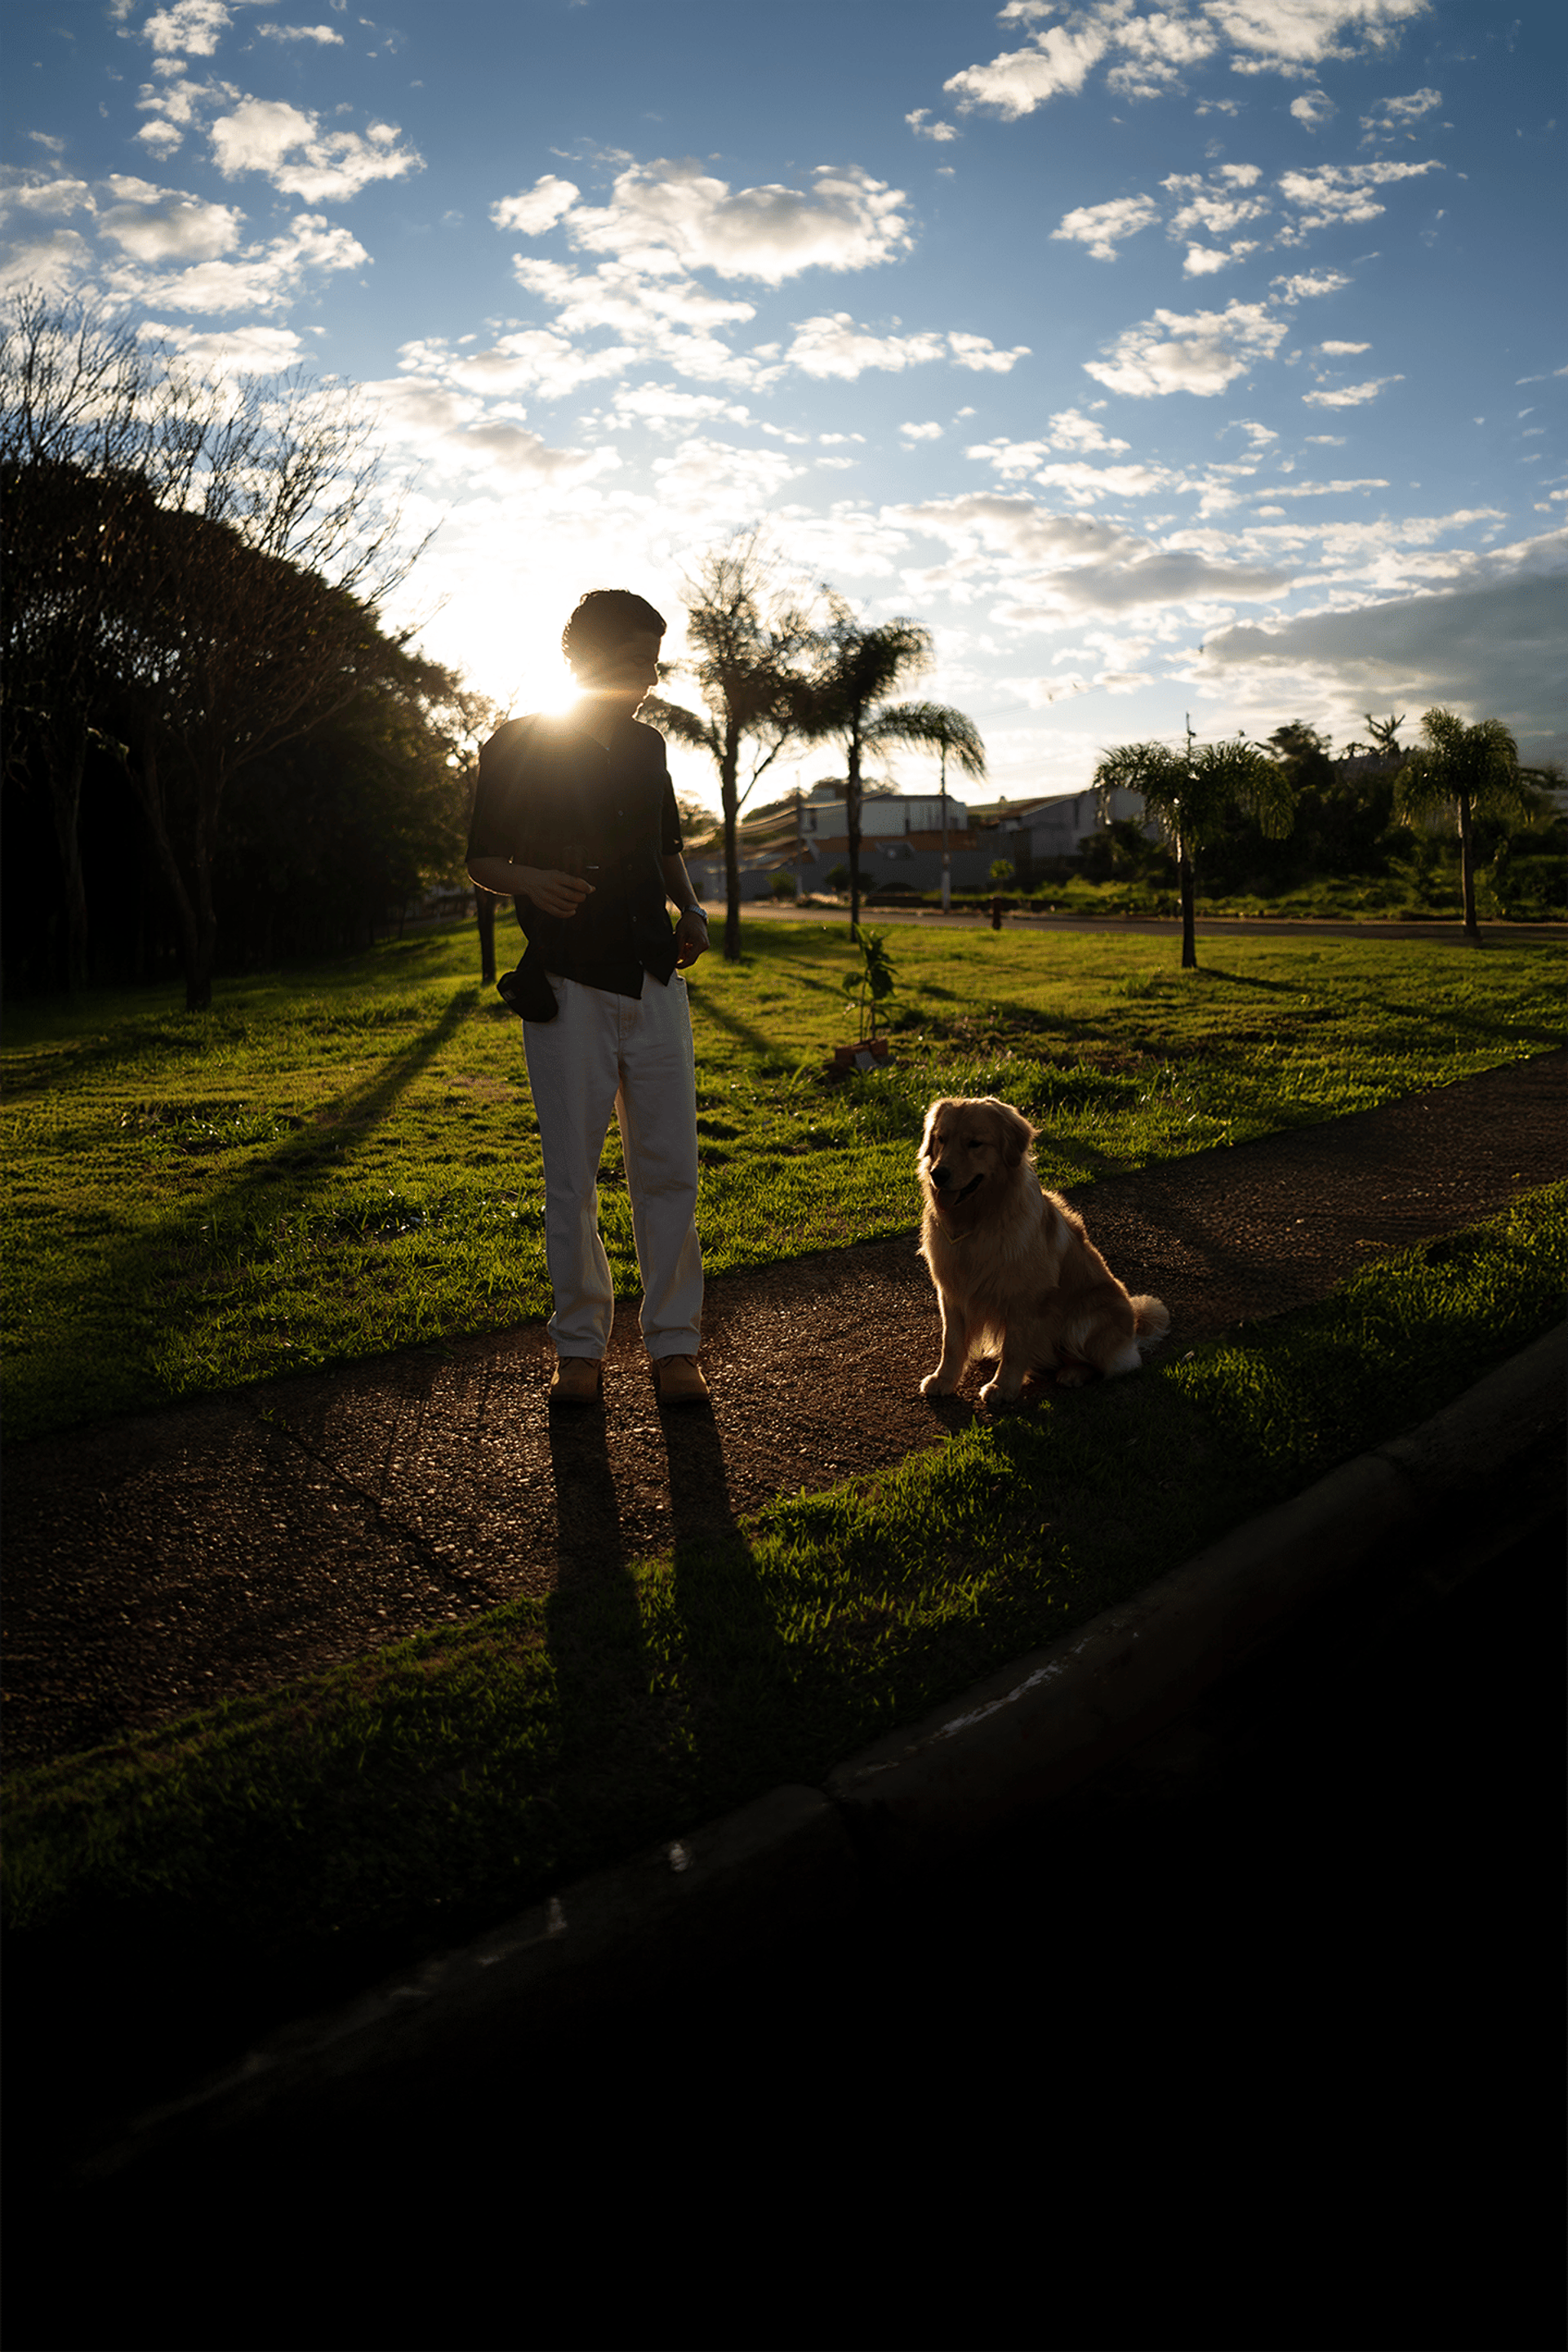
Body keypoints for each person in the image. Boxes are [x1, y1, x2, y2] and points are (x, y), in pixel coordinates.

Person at [466, 590, 710, 1406]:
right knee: (572, 1176)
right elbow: (482, 859)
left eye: (653, 660)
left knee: (670, 1168)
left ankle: (675, 1346)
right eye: (633, 659)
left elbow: (666, 846)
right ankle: (581, 1350)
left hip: (654, 979)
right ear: (581, 657)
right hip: (567, 984)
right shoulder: (517, 743)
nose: (646, 676)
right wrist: (531, 877)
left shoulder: (648, 749)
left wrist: (693, 905)